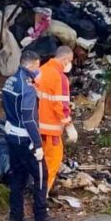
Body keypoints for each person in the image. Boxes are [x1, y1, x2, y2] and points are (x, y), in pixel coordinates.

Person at [2, 51, 60, 221]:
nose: (39, 69)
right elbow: (29, 119)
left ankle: (15, 217)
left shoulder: (10, 81)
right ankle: (41, 218)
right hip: (25, 139)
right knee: (41, 177)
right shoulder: (26, 87)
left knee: (17, 177)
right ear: (33, 64)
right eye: (37, 66)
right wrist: (37, 144)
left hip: (11, 135)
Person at [35, 45, 77, 193]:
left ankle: (35, 189)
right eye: (70, 61)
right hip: (52, 129)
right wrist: (69, 125)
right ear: (65, 59)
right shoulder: (60, 78)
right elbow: (60, 106)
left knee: (38, 161)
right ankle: (41, 196)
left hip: (36, 126)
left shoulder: (41, 70)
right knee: (52, 162)